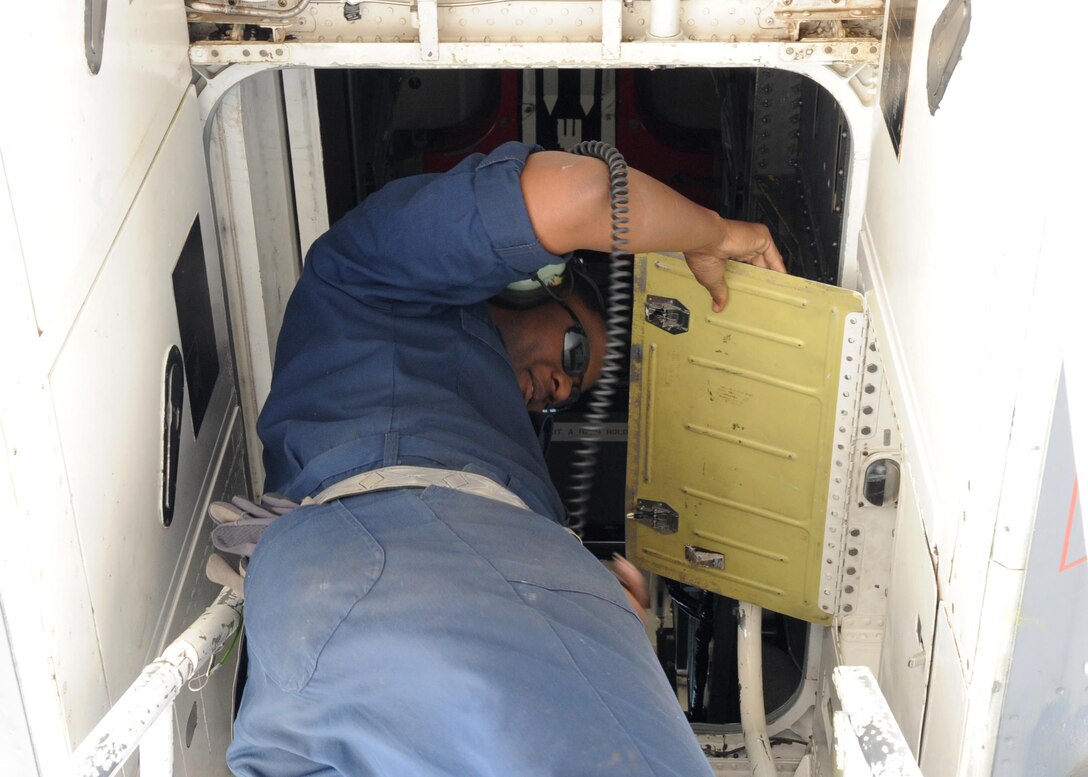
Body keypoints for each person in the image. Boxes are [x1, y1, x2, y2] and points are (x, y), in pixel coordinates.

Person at [226, 142, 784, 777]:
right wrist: (711, 234)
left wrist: (592, 602)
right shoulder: (369, 272)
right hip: (387, 569)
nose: (561, 388)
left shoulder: (491, 435)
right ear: (533, 288)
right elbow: (580, 196)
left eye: (570, 396)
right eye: (575, 353)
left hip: (303, 612)